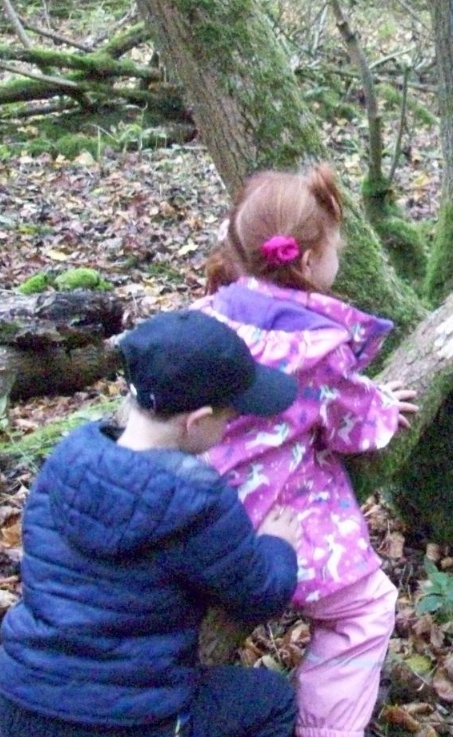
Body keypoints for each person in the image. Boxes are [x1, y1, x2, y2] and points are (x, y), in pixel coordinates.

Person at [0, 309, 302, 737]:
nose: (231, 425)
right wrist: (278, 546)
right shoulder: (197, 499)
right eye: (229, 417)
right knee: (272, 701)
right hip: (125, 720)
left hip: (19, 699)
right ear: (196, 421)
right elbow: (258, 594)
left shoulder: (68, 458)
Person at [195, 163, 418, 737]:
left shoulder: (206, 318)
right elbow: (354, 425)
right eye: (337, 243)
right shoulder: (317, 345)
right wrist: (385, 403)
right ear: (311, 260)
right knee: (363, 609)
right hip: (274, 520)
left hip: (194, 513)